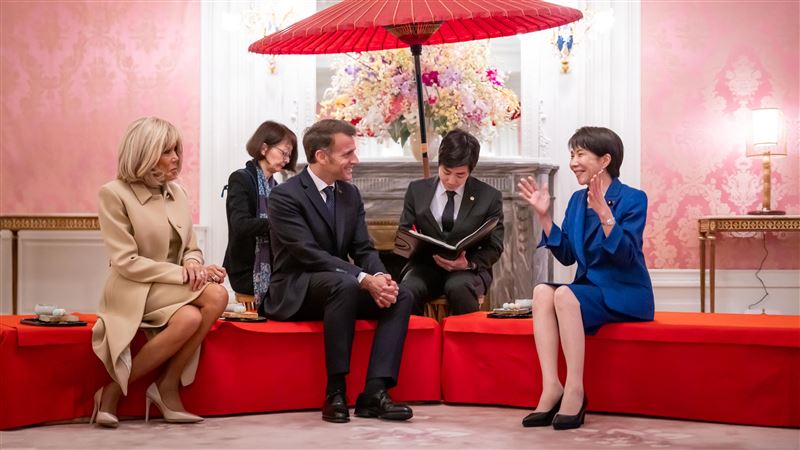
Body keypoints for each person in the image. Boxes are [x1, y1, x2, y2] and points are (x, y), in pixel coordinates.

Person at [266, 119, 414, 423]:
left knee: (401, 295)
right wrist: (362, 278)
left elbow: (363, 248)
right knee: (344, 285)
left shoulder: (350, 194)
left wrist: (380, 277)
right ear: (322, 156)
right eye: (347, 153)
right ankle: (335, 392)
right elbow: (308, 253)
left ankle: (375, 392)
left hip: (338, 286)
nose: (355, 160)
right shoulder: (284, 196)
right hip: (297, 289)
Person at [91, 117, 229, 427]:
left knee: (190, 317)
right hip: (131, 287)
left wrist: (193, 265)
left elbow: (191, 247)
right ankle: (131, 390)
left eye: (177, 149)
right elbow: (126, 261)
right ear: (145, 153)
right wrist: (183, 275)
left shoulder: (177, 192)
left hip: (170, 289)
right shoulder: (113, 193)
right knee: (217, 296)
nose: (176, 157)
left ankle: (158, 386)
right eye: (167, 151)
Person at [517, 126, 654, 430]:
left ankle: (575, 390)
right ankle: (551, 386)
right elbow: (567, 254)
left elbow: (626, 257)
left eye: (580, 154)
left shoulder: (633, 198)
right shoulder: (577, 201)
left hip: (625, 292)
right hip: (590, 292)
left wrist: (606, 215)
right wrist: (544, 216)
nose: (573, 162)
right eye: (571, 155)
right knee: (542, 292)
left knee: (565, 294)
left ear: (605, 160)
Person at [399, 129, 504, 315]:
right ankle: (414, 334)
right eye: (446, 172)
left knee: (459, 287)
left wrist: (469, 264)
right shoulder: (417, 190)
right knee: (408, 289)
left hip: (467, 270)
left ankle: (464, 335)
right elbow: (405, 232)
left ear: (471, 170)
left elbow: (495, 246)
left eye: (460, 174)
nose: (451, 180)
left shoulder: (489, 197)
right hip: (425, 267)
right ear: (439, 163)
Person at [223, 121, 298, 312]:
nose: (287, 160)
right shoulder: (241, 178)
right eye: (284, 153)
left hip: (274, 265)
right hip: (246, 268)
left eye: (289, 155)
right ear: (264, 148)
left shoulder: (277, 188)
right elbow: (240, 225)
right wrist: (280, 224)